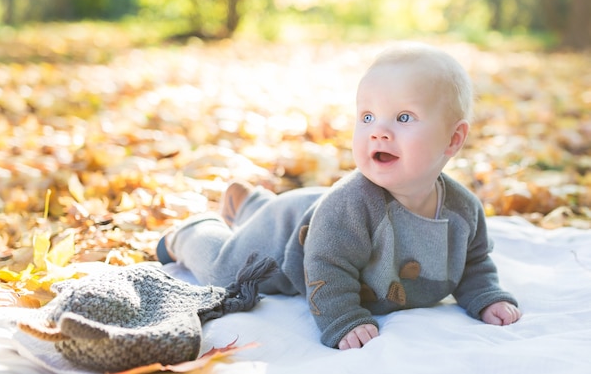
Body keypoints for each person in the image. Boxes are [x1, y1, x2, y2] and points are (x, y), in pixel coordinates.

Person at [156, 41, 522, 350]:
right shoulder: (351, 204)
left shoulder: (462, 211)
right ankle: (191, 232)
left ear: (454, 139)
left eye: (404, 118)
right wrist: (343, 317)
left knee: (303, 213)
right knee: (225, 270)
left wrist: (485, 296)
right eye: (367, 117)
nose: (378, 131)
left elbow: (474, 264)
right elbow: (327, 266)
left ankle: (250, 203)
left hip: (313, 210)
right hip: (286, 239)